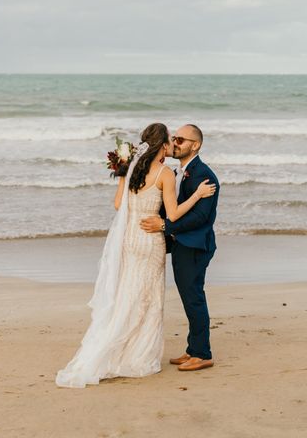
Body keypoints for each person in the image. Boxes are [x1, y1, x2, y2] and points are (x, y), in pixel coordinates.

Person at [55, 122, 215, 388]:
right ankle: (140, 355)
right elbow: (173, 215)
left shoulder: (129, 170)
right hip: (150, 240)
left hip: (130, 239)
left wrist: (123, 179)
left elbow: (119, 205)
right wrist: (197, 195)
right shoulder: (164, 173)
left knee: (128, 294)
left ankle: (119, 348)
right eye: (170, 140)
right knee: (148, 298)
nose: (173, 144)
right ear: (162, 144)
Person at [140, 124, 220, 372]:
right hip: (182, 244)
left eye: (181, 140)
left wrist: (165, 225)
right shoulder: (180, 171)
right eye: (174, 138)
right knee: (188, 297)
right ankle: (192, 349)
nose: (175, 143)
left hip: (195, 246)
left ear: (195, 145)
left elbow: (201, 217)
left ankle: (202, 353)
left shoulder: (204, 176)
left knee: (194, 297)